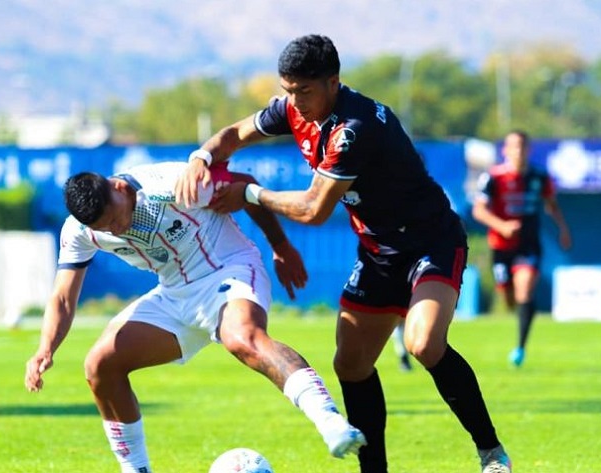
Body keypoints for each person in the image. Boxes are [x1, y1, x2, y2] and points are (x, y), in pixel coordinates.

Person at [176, 34, 512, 473]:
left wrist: (251, 194)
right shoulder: (292, 108)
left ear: (333, 83)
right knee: (350, 364)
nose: (294, 102)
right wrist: (201, 157)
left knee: (423, 343)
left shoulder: (354, 128)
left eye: (304, 91)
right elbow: (234, 134)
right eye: (287, 90)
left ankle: (491, 452)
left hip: (430, 242)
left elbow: (314, 209)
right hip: (378, 252)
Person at [24, 161, 366, 473]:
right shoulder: (80, 231)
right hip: (174, 294)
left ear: (120, 188)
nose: (115, 230)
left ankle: (330, 422)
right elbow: (63, 297)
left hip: (228, 269)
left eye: (114, 219)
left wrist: (280, 246)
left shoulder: (171, 183)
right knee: (100, 365)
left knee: (242, 339)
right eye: (105, 228)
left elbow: (244, 186)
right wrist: (45, 349)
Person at [472, 130, 572, 367]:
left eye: (523, 146)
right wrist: (502, 226)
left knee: (524, 290)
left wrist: (563, 229)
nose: (518, 151)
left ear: (529, 149)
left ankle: (520, 348)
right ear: (505, 150)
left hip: (528, 244)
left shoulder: (539, 176)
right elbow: (479, 210)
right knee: (508, 298)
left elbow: (551, 204)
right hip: (501, 246)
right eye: (514, 146)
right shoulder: (493, 177)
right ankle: (516, 306)